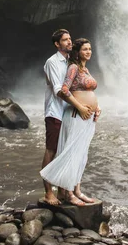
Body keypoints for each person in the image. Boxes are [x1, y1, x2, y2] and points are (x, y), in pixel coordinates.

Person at [40, 37, 101, 206]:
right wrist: (81, 107)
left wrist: (97, 107)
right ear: (78, 52)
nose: (88, 52)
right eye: (84, 49)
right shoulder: (73, 67)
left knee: (82, 154)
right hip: (76, 115)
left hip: (88, 118)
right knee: (72, 153)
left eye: (90, 49)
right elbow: (64, 89)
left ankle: (77, 190)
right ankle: (67, 193)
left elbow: (89, 91)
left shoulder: (86, 69)